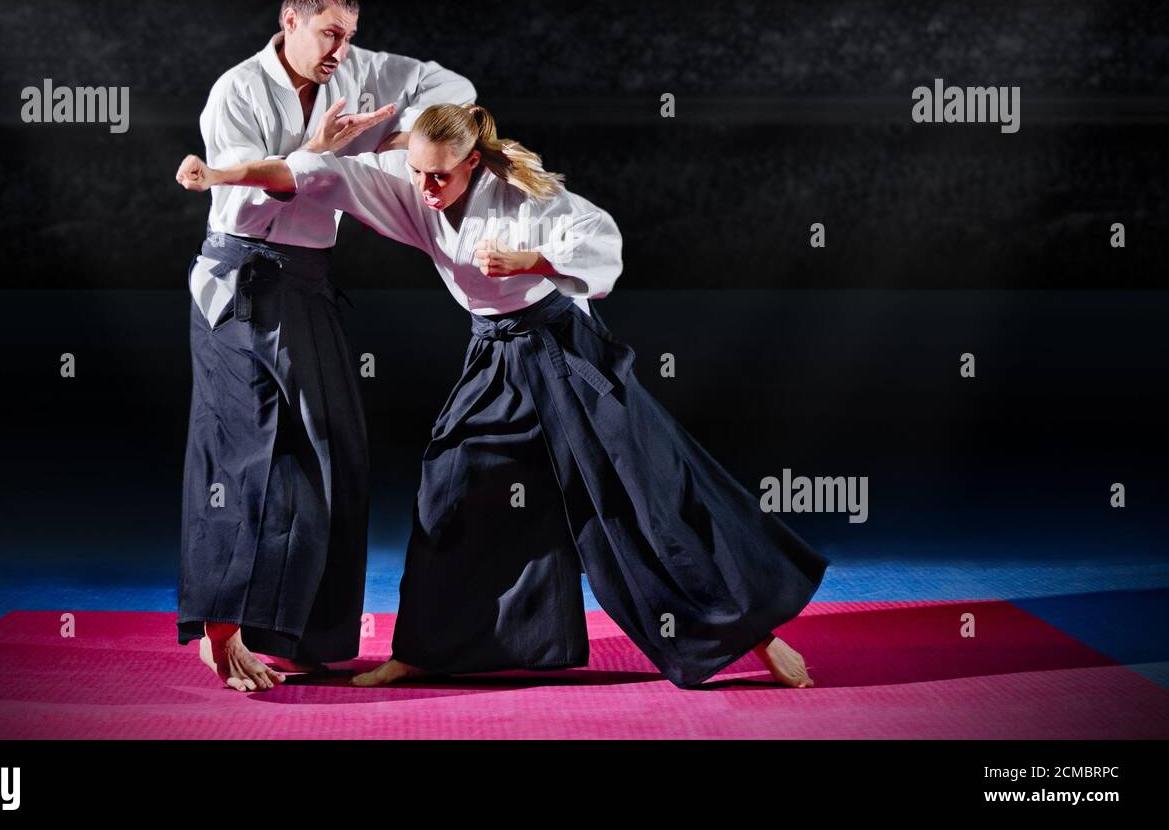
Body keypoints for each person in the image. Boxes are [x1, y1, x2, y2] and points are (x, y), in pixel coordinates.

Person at [175, 102, 829, 689]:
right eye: (419, 172)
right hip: (495, 357)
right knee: (450, 486)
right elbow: (309, 175)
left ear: (472, 161)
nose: (428, 189)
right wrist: (218, 177)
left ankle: (754, 637)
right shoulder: (410, 184)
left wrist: (534, 264)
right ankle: (428, 649)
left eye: (442, 176)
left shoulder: (521, 192)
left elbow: (598, 241)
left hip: (565, 351)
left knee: (639, 495)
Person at [178, 0, 476, 692]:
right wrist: (316, 149)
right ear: (289, 21)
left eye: (349, 33)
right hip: (240, 284)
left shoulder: (364, 70)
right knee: (242, 457)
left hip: (308, 284)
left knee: (332, 453)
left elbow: (457, 87)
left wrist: (404, 133)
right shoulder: (236, 91)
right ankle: (221, 634)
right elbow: (245, 213)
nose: (340, 49)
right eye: (327, 33)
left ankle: (297, 632)